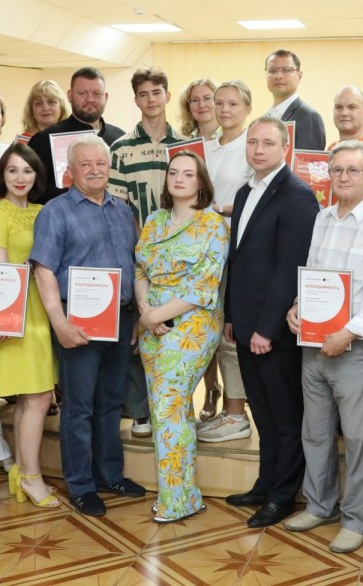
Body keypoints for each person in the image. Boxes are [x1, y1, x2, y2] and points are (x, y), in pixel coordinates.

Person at [281, 141, 363, 553]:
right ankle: (319, 506)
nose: (344, 177)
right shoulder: (323, 218)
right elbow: (314, 275)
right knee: (315, 433)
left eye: (353, 170)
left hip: (356, 348)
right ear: (328, 175)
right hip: (313, 346)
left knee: (358, 438)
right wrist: (297, 308)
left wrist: (347, 334)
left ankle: (355, 520)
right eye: (337, 170)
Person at [30, 134, 147, 517]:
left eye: (101, 163)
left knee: (111, 403)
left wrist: (136, 316)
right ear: (70, 171)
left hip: (121, 320)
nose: (95, 170)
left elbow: (136, 265)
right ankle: (80, 485)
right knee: (79, 408)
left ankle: (109, 475)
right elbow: (44, 271)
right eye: (86, 165)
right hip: (77, 324)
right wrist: (59, 323)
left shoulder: (122, 209)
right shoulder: (55, 212)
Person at [222, 116, 319, 528]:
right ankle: (265, 483)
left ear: (285, 148)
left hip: (273, 330)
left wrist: (267, 328)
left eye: (267, 143)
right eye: (253, 143)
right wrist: (231, 316)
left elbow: (289, 270)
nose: (258, 150)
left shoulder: (298, 196)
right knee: (261, 412)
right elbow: (239, 260)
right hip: (245, 324)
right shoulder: (245, 192)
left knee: (284, 415)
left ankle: (283, 495)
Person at [134, 151, 228, 523]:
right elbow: (140, 269)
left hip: (193, 323)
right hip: (151, 323)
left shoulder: (213, 224)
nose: (179, 179)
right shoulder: (154, 220)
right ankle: (184, 494)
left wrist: (155, 316)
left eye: (188, 174)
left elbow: (203, 286)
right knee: (170, 410)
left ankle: (176, 502)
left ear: (201, 182)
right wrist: (146, 312)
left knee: (167, 405)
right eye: (173, 172)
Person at [109, 66, 186, 438]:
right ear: (136, 99)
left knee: (173, 330)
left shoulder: (186, 146)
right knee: (138, 328)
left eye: (157, 92)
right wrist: (144, 247)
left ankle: (172, 409)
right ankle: (141, 410)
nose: (151, 99)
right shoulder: (121, 149)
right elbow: (119, 208)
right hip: (138, 253)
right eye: (143, 94)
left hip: (180, 256)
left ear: (167, 96)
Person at [0, 143, 60, 507]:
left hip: (45, 311)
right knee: (37, 397)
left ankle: (21, 471)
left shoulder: (43, 211)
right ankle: (31, 476)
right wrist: (1, 319)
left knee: (35, 397)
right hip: (19, 316)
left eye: (27, 170)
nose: (20, 177)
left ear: (37, 175)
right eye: (12, 170)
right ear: (3, 175)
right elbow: (0, 273)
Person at [197, 80, 254, 442]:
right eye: (219, 103)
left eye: (233, 104)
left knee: (231, 335)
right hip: (203, 253)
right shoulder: (204, 148)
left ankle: (236, 412)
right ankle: (219, 405)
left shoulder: (251, 147)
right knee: (210, 332)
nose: (224, 109)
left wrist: (223, 209)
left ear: (247, 108)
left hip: (236, 252)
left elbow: (259, 198)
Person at [27, 67, 126, 202]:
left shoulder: (119, 139)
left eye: (97, 93)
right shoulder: (43, 140)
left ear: (106, 97)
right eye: (82, 93)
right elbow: (33, 190)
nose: (90, 99)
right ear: (70, 96)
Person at [264, 49, 326, 150]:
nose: (278, 76)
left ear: (299, 76)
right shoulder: (265, 117)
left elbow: (307, 159)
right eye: (272, 71)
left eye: (286, 70)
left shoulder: (308, 117)